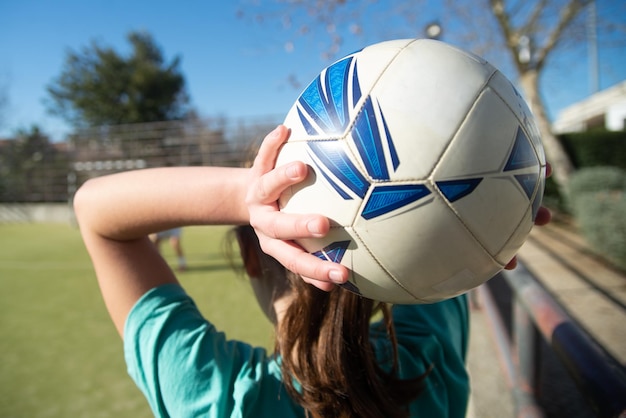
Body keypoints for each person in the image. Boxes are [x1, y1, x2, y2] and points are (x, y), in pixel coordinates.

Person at [74, 125, 552, 418]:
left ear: (250, 256)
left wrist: (250, 195)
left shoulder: (220, 398)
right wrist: (497, 212)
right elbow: (443, 235)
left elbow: (94, 210)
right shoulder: (427, 358)